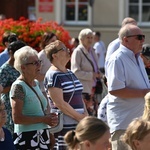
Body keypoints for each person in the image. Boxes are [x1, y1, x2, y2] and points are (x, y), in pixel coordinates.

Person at [105, 24, 150, 150]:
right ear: (126, 39)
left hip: (138, 124)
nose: (142, 41)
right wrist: (145, 92)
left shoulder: (138, 58)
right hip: (124, 124)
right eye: (139, 37)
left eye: (143, 37)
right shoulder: (117, 59)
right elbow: (115, 89)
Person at [9, 46, 58, 149]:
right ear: (23, 67)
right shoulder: (18, 86)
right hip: (27, 138)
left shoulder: (35, 83)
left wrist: (48, 130)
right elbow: (17, 118)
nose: (39, 65)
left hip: (42, 136)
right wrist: (44, 119)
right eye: (34, 63)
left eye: (39, 62)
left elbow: (39, 112)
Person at [44, 40, 87, 150]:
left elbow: (79, 95)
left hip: (78, 123)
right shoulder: (53, 75)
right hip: (65, 126)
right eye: (63, 49)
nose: (68, 50)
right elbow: (59, 104)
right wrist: (80, 117)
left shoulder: (69, 72)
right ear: (55, 55)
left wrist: (86, 116)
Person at [71, 28, 100, 115]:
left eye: (92, 37)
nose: (90, 40)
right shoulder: (78, 52)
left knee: (93, 114)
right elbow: (75, 72)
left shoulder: (92, 51)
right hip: (83, 89)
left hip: (93, 89)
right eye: (88, 37)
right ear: (81, 39)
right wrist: (92, 75)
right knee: (85, 115)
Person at [0, 40, 26, 134]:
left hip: (21, 104)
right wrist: (15, 85)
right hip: (8, 106)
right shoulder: (5, 69)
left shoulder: (20, 66)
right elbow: (1, 90)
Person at [37, 31, 57, 98]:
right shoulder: (41, 56)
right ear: (46, 42)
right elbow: (36, 76)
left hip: (55, 90)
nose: (55, 43)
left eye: (56, 41)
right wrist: (51, 76)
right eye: (52, 41)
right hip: (43, 91)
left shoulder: (55, 55)